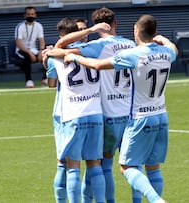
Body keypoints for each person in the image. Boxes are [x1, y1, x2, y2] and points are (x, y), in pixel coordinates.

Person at [64, 14, 178, 203]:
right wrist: (163, 39)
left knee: (127, 167)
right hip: (162, 116)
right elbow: (174, 49)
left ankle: (156, 200)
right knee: (153, 167)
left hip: (141, 116)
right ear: (154, 32)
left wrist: (74, 58)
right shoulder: (166, 51)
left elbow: (99, 65)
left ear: (137, 31)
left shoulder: (133, 54)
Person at [44, 7, 142, 203]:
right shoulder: (129, 45)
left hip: (81, 113)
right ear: (115, 23)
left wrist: (47, 53)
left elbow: (52, 78)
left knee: (70, 165)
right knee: (122, 164)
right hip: (119, 112)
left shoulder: (93, 48)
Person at [46, 18, 111, 203]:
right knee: (94, 164)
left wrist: (47, 57)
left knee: (71, 165)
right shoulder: (92, 50)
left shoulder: (54, 55)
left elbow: (51, 84)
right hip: (95, 113)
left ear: (61, 35)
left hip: (72, 113)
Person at [14, 6, 47, 88]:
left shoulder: (38, 26)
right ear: (24, 15)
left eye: (32, 14)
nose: (30, 16)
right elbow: (18, 43)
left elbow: (41, 40)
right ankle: (29, 80)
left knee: (47, 55)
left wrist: (41, 51)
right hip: (21, 50)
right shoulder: (20, 26)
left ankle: (45, 78)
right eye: (28, 14)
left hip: (34, 49)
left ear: (35, 15)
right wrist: (29, 53)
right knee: (27, 57)